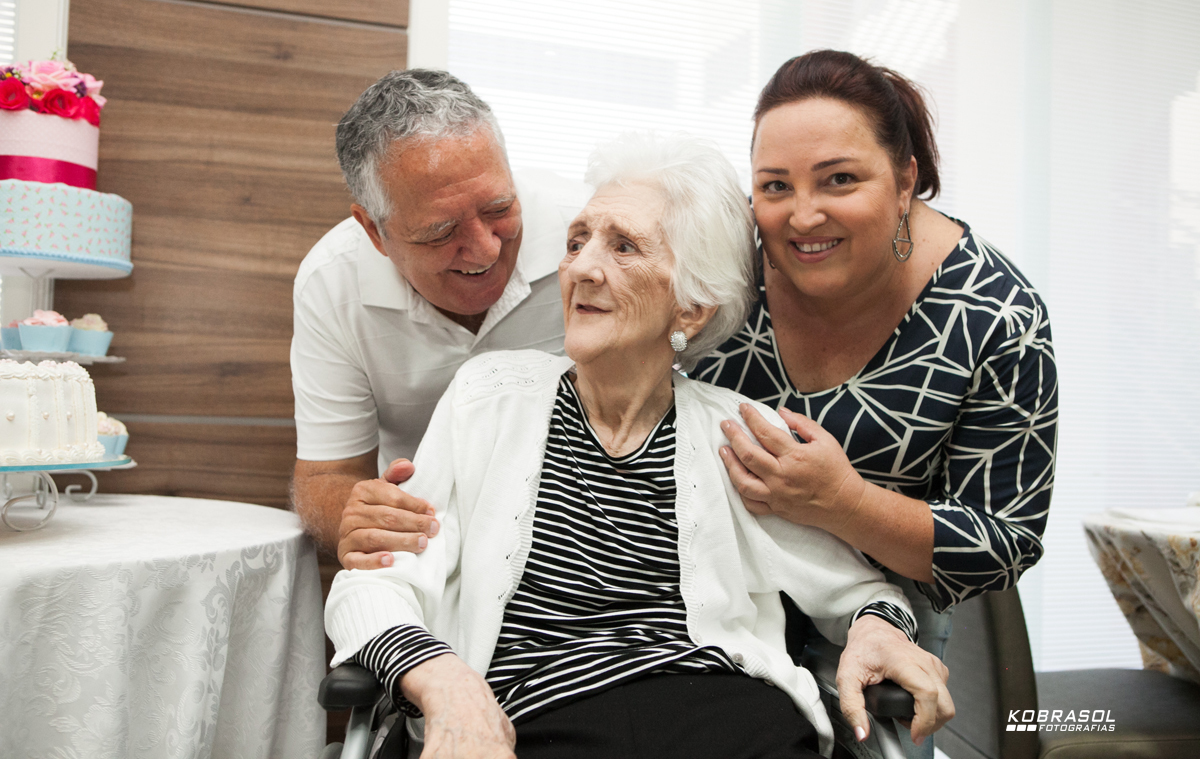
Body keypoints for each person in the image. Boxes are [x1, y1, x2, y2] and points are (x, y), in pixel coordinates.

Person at [326, 133, 953, 759]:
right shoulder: (487, 398)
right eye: (577, 241)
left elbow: (861, 592)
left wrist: (879, 631)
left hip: (729, 725)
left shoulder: (738, 433)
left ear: (691, 308)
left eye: (623, 246)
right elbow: (375, 584)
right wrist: (448, 688)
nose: (582, 267)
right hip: (535, 722)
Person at [692, 50, 1057, 757]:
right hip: (715, 604)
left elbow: (1004, 542)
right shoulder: (724, 261)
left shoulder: (995, 315)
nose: (803, 215)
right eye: (775, 185)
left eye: (840, 179)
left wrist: (843, 502)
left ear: (905, 179)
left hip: (883, 626)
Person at [290, 69, 589, 556]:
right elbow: (327, 475)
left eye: (499, 208)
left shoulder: (588, 231)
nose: (486, 250)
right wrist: (365, 516)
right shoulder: (331, 282)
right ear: (374, 231)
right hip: (426, 542)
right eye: (441, 232)